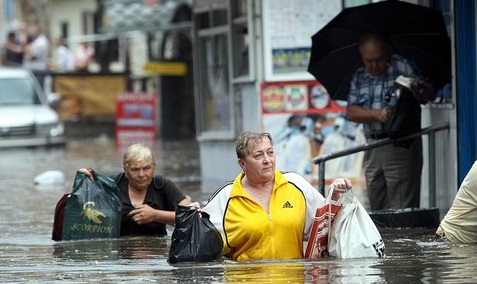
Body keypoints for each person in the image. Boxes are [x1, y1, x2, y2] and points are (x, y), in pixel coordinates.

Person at [202, 131, 352, 262]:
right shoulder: (226, 197)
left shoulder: (296, 184)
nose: (267, 160)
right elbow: (203, 249)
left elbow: (326, 228)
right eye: (258, 155)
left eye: (270, 152)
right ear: (242, 164)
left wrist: (336, 195)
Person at [346, 33, 435, 211]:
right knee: (377, 202)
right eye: (368, 61)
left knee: (402, 205)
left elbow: (429, 94)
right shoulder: (360, 76)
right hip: (372, 144)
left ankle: (403, 238)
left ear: (386, 53)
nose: (374, 65)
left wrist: (417, 88)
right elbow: (351, 112)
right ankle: (384, 238)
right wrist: (377, 114)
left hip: (400, 144)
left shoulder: (402, 65)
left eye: (378, 60)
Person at [80, 143, 192, 237]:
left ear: (154, 168)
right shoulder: (112, 186)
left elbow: (192, 216)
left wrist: (156, 215)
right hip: (120, 258)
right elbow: (82, 212)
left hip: (156, 256)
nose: (141, 175)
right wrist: (85, 183)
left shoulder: (162, 186)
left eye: (146, 168)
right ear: (125, 170)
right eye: (135, 169)